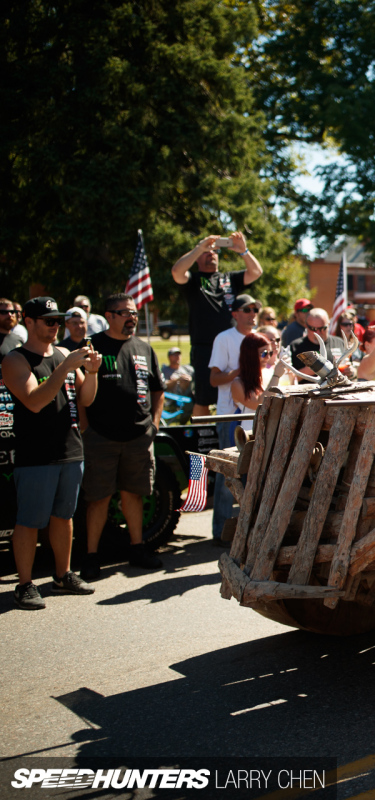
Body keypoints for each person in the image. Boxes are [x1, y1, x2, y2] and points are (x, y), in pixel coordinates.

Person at [2, 297, 102, 609]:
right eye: (49, 321)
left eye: (57, 320)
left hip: (71, 449)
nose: (55, 326)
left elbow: (86, 398)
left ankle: (62, 576)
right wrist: (65, 368)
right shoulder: (16, 360)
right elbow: (33, 400)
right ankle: (24, 584)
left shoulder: (62, 354)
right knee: (29, 521)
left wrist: (93, 372)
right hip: (37, 453)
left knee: (64, 516)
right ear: (28, 322)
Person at [80, 293, 166, 580]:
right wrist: (84, 427)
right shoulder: (94, 347)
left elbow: (158, 389)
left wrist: (153, 424)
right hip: (100, 437)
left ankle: (137, 549)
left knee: (134, 495)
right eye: (125, 313)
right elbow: (79, 390)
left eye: (134, 313)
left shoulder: (144, 348)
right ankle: (91, 556)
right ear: (109, 315)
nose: (132, 318)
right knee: (98, 498)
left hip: (138, 437)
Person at [171, 232, 263, 410]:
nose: (211, 253)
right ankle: (202, 437)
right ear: (198, 257)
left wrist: (244, 251)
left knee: (238, 392)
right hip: (205, 346)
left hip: (233, 343)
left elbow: (256, 272)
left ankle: (231, 431)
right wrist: (199, 248)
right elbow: (177, 271)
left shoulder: (229, 278)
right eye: (207, 251)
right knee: (203, 399)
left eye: (215, 251)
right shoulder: (193, 280)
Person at [207, 294, 261, 543]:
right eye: (247, 309)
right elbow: (214, 379)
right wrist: (241, 371)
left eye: (256, 309)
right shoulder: (224, 338)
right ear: (235, 314)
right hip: (230, 415)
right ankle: (221, 531)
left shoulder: (258, 337)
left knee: (254, 473)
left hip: (255, 414)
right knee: (229, 472)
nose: (253, 313)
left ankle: (248, 529)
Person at [230, 331, 281, 431]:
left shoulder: (268, 373)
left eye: (270, 353)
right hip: (250, 435)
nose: (268, 357)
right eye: (264, 353)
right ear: (250, 354)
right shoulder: (238, 383)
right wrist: (277, 376)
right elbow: (258, 404)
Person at [289, 307, 350, 375]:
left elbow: (351, 367)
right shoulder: (295, 346)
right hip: (308, 385)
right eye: (313, 329)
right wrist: (314, 368)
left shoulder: (339, 342)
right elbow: (289, 378)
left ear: (328, 325)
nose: (318, 332)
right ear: (306, 326)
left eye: (322, 328)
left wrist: (351, 372)